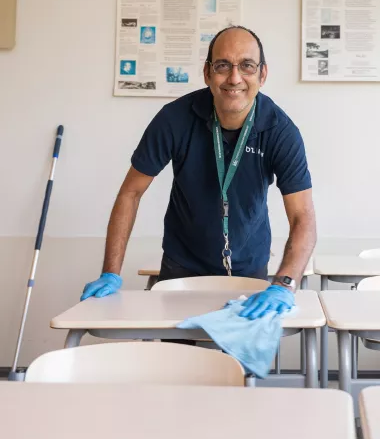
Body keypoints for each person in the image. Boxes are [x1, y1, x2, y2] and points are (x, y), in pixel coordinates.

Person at [81, 26, 316, 321]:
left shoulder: (280, 131)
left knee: (234, 365)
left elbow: (302, 216)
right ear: (207, 73)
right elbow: (131, 192)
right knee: (178, 364)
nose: (234, 78)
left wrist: (284, 284)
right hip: (182, 266)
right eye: (222, 65)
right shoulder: (174, 119)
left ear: (262, 74)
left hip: (249, 268)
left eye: (247, 65)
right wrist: (111, 273)